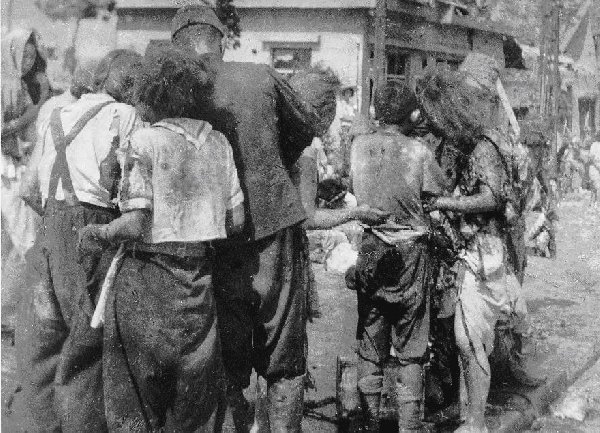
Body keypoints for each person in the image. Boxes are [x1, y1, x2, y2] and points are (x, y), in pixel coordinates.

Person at [77, 47, 244, 432]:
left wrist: (99, 232)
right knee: (194, 403)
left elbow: (135, 224)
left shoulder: (144, 142)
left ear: (150, 93)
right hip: (197, 287)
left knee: (133, 398)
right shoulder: (219, 144)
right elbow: (236, 219)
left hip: (146, 283)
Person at [170, 5, 320, 432]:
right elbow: (305, 125)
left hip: (217, 236)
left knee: (230, 360)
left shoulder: (179, 92)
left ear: (180, 47)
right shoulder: (260, 75)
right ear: (221, 40)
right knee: (285, 359)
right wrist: (269, 161)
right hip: (275, 227)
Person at [17, 49, 142, 433]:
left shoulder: (55, 113)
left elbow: (28, 191)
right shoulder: (125, 115)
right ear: (130, 87)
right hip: (92, 233)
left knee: (42, 346)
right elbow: (135, 193)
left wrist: (59, 224)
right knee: (88, 346)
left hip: (49, 231)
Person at [418, 69, 532, 433]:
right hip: (478, 253)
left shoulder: (483, 146)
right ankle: (473, 420)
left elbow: (492, 197)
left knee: (469, 340)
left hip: (487, 254)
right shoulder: (473, 143)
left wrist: (448, 202)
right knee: (469, 340)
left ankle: (475, 421)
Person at [343, 82, 446, 432]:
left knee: (371, 341)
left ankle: (370, 425)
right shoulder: (418, 152)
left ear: (375, 112)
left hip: (371, 250)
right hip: (410, 256)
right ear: (412, 114)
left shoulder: (358, 147)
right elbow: (436, 194)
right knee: (411, 349)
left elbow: (349, 184)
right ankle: (408, 427)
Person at [1, 28, 51, 331]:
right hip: (8, 170)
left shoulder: (24, 84)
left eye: (33, 55)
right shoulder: (5, 85)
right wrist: (35, 111)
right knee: (25, 239)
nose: (29, 60)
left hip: (16, 165)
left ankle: (7, 312)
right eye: (24, 54)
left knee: (9, 243)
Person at [589, 132, 600, 208]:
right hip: (594, 168)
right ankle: (596, 204)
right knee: (597, 187)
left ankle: (593, 203)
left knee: (594, 189)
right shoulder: (594, 145)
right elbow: (591, 158)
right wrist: (597, 166)